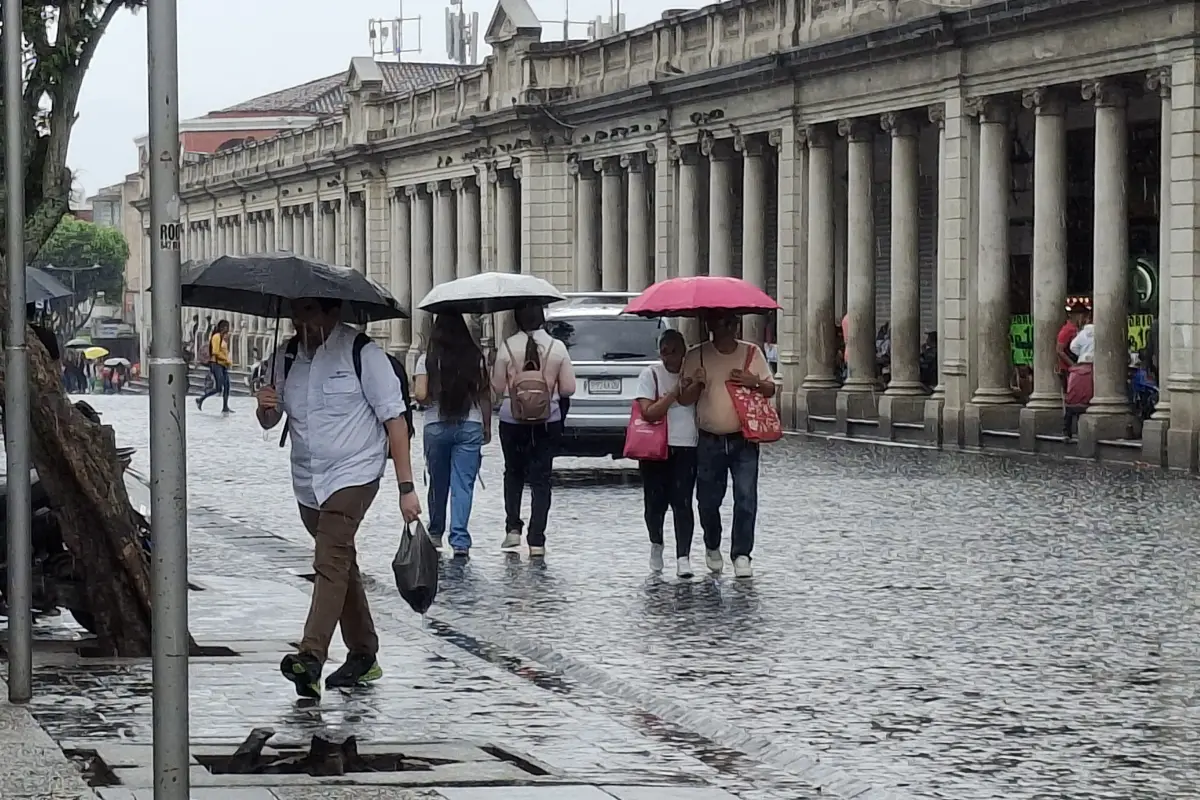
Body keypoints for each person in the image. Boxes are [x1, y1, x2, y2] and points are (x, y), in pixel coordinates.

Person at [255, 297, 420, 698]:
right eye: (296, 312)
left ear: (332, 312)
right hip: (308, 480)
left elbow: (395, 422)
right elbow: (270, 420)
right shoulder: (285, 357)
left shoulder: (363, 354)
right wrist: (265, 407)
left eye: (309, 311)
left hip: (355, 474)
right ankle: (364, 654)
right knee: (341, 561)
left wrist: (406, 488)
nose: (300, 320)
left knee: (328, 560)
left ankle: (311, 656)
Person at [679, 311, 775, 579]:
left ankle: (742, 554)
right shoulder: (696, 355)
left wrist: (752, 381)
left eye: (725, 323)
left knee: (746, 498)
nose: (718, 328)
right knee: (708, 501)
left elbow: (770, 388)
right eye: (714, 322)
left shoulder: (751, 353)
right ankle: (712, 544)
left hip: (743, 438)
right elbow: (685, 399)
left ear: (734, 325)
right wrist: (696, 384)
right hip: (709, 438)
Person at [491, 302, 576, 557]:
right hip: (546, 421)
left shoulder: (506, 347)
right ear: (542, 319)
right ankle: (537, 539)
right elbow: (568, 389)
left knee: (513, 473)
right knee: (541, 480)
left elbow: (496, 387)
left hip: (511, 420)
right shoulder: (557, 347)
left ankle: (513, 528)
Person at [413, 313, 491, 559]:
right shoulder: (476, 359)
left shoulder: (427, 360)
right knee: (463, 485)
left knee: (438, 482)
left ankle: (435, 532)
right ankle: (460, 539)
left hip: (436, 425)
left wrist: (437, 393)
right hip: (470, 425)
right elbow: (485, 396)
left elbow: (420, 395)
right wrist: (486, 426)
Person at [634, 329, 698, 578]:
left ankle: (683, 556)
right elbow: (649, 412)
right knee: (654, 504)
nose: (668, 357)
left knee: (683, 502)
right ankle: (656, 543)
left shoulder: (693, 375)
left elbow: (690, 400)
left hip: (686, 445)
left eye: (674, 351)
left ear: (684, 352)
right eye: (664, 351)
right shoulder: (650, 375)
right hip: (654, 450)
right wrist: (672, 392)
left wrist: (694, 382)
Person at [1064, 321, 1095, 441]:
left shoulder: (1082, 334)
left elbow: (1073, 347)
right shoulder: (1098, 332)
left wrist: (1080, 353)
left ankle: (1066, 432)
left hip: (1082, 360)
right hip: (1094, 363)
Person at [196, 320, 233, 413]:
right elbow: (215, 352)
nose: (228, 329)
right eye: (227, 327)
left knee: (227, 386)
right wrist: (226, 359)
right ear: (223, 327)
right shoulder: (216, 337)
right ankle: (200, 399)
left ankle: (225, 407)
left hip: (223, 365)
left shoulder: (223, 338)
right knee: (218, 388)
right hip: (216, 365)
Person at [1057, 303, 1090, 391]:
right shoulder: (1067, 330)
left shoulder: (1078, 329)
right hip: (1068, 368)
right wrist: (1073, 364)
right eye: (1083, 316)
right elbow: (1059, 350)